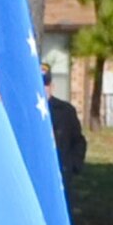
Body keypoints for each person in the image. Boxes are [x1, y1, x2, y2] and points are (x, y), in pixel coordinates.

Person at [45, 64, 87, 214]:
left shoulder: (65, 111)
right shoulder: (26, 111)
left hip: (61, 173)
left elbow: (78, 141)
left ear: (52, 86)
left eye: (46, 84)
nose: (43, 89)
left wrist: (72, 166)